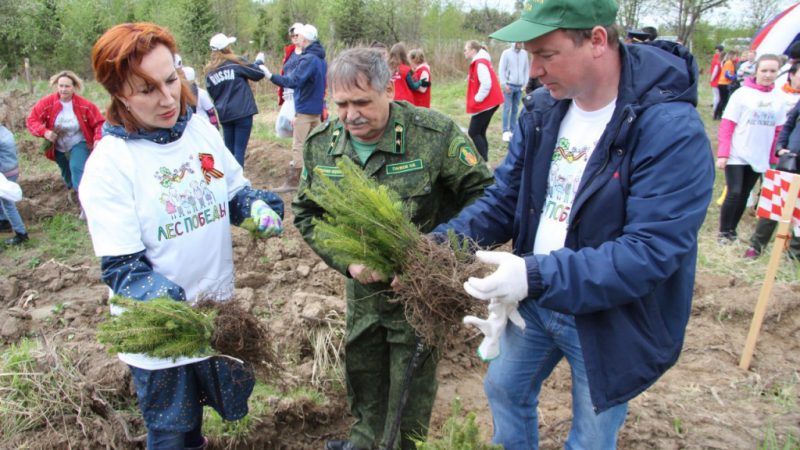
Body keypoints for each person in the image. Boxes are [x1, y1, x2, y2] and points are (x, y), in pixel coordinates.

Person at [432, 0, 715, 448]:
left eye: (546, 55)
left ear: (597, 40)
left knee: (592, 432)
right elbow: (506, 198)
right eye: (529, 55)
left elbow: (649, 251)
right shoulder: (544, 111)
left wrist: (533, 273)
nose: (534, 72)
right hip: (538, 299)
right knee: (503, 388)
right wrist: (439, 246)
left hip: (610, 315)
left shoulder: (669, 130)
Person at [83, 22, 284, 450]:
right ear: (119, 93)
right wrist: (175, 305)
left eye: (171, 79)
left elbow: (227, 189)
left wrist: (253, 208)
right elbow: (124, 268)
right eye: (147, 89)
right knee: (173, 434)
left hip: (215, 318)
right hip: (161, 334)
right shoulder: (111, 167)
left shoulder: (197, 132)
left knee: (199, 426)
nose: (168, 97)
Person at [292, 48, 494, 450]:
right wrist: (348, 262)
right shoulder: (322, 145)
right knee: (364, 382)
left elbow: (485, 197)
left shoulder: (433, 135)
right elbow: (307, 212)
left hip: (418, 298)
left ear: (389, 88)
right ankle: (364, 442)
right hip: (363, 295)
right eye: (342, 104)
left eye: (363, 102)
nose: (351, 115)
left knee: (409, 392)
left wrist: (437, 257)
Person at [717, 54, 786, 244]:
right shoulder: (742, 94)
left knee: (746, 193)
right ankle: (723, 232)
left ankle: (732, 230)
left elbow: (778, 130)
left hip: (760, 154)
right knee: (735, 191)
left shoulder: (778, 99)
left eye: (773, 71)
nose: (768, 75)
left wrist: (774, 156)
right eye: (764, 70)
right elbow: (727, 124)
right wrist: (723, 153)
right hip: (737, 152)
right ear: (756, 71)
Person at [261, 24, 327, 192]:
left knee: (298, 145)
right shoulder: (321, 58)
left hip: (304, 110)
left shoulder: (308, 59)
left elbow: (293, 81)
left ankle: (298, 182)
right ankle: (318, 180)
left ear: (305, 38)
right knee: (315, 145)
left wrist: (270, 76)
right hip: (316, 109)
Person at [745, 61, 800, 259]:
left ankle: (794, 253)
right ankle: (756, 246)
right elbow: (788, 124)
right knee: (773, 204)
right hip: (789, 161)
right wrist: (780, 147)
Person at [25, 70, 104, 204]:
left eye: (67, 86)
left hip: (78, 142)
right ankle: (71, 190)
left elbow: (99, 122)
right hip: (58, 144)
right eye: (61, 86)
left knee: (76, 167)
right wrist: (45, 132)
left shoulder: (84, 105)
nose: (63, 89)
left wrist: (97, 138)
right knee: (65, 170)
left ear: (74, 87)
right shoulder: (47, 103)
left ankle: (84, 201)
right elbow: (32, 120)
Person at [204, 32, 266, 168]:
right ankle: (238, 183)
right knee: (239, 151)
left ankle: (229, 182)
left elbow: (211, 92)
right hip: (242, 112)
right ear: (227, 47)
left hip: (225, 114)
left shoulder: (209, 71)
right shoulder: (236, 62)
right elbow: (258, 74)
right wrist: (259, 62)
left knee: (229, 151)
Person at [463, 40, 504, 163]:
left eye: (466, 49)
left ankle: (483, 160)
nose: (464, 52)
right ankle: (485, 159)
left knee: (474, 132)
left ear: (473, 50)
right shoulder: (480, 61)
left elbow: (486, 84)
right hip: (491, 103)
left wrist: (477, 99)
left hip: (487, 103)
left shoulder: (480, 62)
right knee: (480, 132)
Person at [0, 125, 28, 247]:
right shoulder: (5, 131)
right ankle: (3, 221)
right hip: (12, 169)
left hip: (4, 173)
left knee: (8, 204)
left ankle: (21, 234)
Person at [498, 42, 529, 142]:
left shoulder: (524, 54)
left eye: (521, 42)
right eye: (518, 42)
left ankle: (513, 129)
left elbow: (526, 69)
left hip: (519, 86)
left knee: (515, 109)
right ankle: (505, 131)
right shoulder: (506, 53)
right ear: (513, 43)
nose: (520, 44)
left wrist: (525, 83)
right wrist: (504, 84)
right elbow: (501, 69)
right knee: (507, 108)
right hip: (509, 85)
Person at [713, 51, 737, 120]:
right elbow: (727, 74)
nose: (736, 58)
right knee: (723, 100)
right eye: (735, 56)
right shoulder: (729, 63)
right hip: (725, 83)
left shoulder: (727, 62)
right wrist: (735, 76)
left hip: (721, 83)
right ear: (732, 56)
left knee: (721, 100)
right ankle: (718, 115)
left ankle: (716, 114)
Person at [710, 45, 724, 115]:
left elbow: (715, 72)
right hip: (720, 81)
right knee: (718, 96)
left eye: (717, 51)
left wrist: (711, 79)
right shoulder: (723, 60)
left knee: (716, 97)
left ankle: (715, 110)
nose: (716, 52)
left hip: (716, 81)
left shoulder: (717, 61)